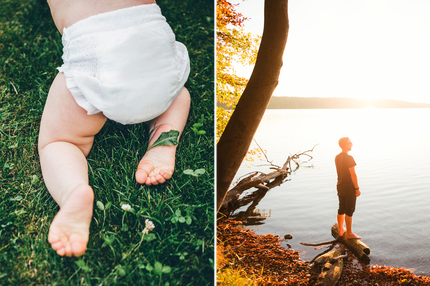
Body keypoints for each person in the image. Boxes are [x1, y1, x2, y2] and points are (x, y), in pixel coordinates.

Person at [39, 0, 190, 257]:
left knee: (60, 142)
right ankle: (164, 133)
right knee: (178, 94)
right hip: (156, 53)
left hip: (95, 54)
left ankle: (73, 189)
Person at [335, 137, 361, 239]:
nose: (352, 145)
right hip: (349, 187)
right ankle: (349, 233)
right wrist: (357, 188)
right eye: (350, 143)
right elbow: (353, 175)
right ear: (346, 145)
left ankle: (341, 229)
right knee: (349, 210)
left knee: (341, 208)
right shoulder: (349, 158)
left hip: (340, 185)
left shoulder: (337, 157)